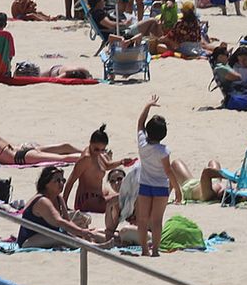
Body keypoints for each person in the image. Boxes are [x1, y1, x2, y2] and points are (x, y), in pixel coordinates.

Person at [18, 166, 108, 249]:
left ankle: (110, 240)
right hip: (29, 240)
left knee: (83, 231)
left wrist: (83, 231)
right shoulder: (42, 201)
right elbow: (59, 221)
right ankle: (94, 247)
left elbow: (67, 220)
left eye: (63, 180)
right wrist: (81, 231)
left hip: (49, 234)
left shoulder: (58, 198)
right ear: (46, 183)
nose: (61, 183)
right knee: (61, 236)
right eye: (57, 181)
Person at [135, 97, 173, 257]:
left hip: (145, 184)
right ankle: (155, 250)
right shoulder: (163, 151)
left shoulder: (142, 143)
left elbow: (140, 123)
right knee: (157, 221)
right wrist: (177, 189)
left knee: (142, 220)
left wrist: (147, 105)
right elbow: (168, 171)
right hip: (160, 187)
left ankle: (144, 249)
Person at [0, 122, 84, 167]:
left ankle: (90, 156)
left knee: (63, 158)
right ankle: (86, 151)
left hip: (20, 157)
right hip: (24, 148)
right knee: (64, 147)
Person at [65, 126, 126, 214]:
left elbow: (107, 165)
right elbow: (71, 180)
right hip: (87, 202)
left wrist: (122, 162)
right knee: (125, 197)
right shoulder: (86, 158)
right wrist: (64, 204)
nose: (99, 152)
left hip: (97, 197)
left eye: (102, 150)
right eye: (96, 149)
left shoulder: (98, 154)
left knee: (112, 193)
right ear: (90, 143)